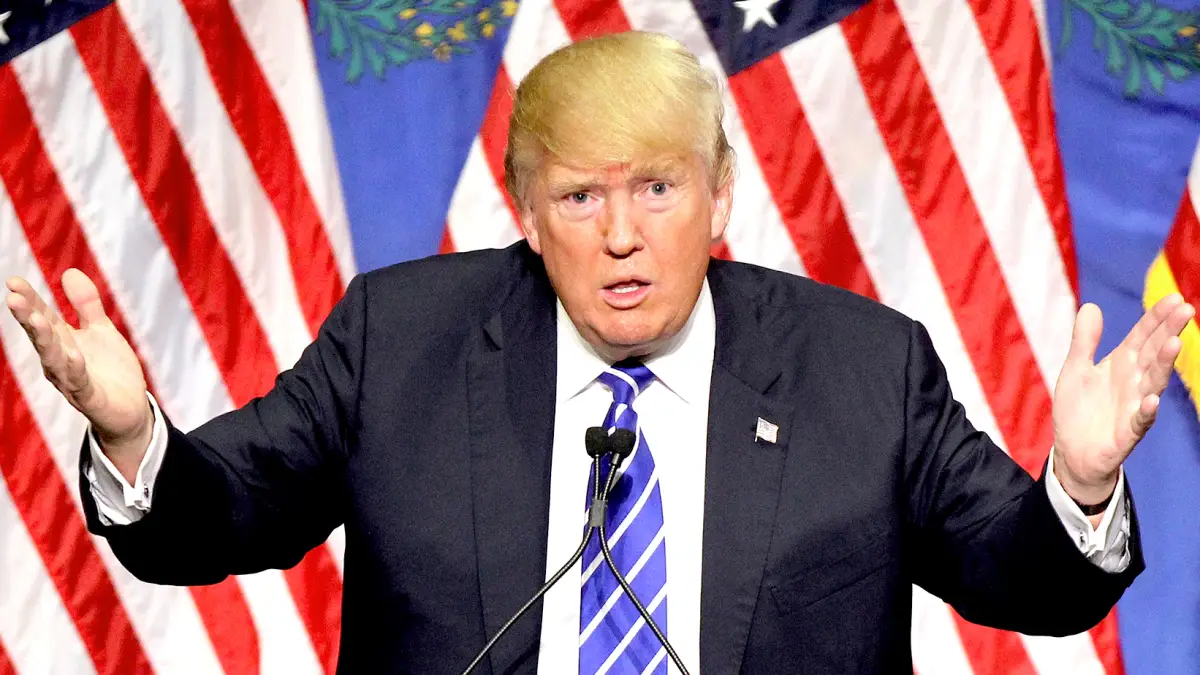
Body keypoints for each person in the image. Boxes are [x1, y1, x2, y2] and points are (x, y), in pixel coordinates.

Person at [5, 31, 1195, 675]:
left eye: (658, 189)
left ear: (721, 196)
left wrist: (1080, 488)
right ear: (526, 213)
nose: (622, 236)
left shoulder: (861, 368)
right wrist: (129, 432)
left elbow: (1024, 577)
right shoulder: (401, 340)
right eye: (579, 198)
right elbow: (226, 516)